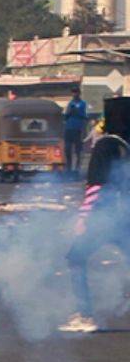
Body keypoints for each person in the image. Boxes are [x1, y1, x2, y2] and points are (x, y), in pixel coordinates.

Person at [61, 98, 130, 334]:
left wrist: (83, 218)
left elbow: (96, 186)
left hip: (105, 217)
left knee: (75, 259)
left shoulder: (106, 146)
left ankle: (85, 314)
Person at [64, 87, 88, 175]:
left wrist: (76, 111)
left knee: (78, 150)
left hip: (78, 129)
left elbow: (84, 116)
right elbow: (66, 116)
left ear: (79, 93)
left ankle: (77, 169)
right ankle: (69, 168)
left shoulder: (83, 103)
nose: (74, 94)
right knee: (67, 149)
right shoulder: (70, 103)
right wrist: (70, 111)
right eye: (73, 92)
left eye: (76, 92)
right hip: (69, 128)